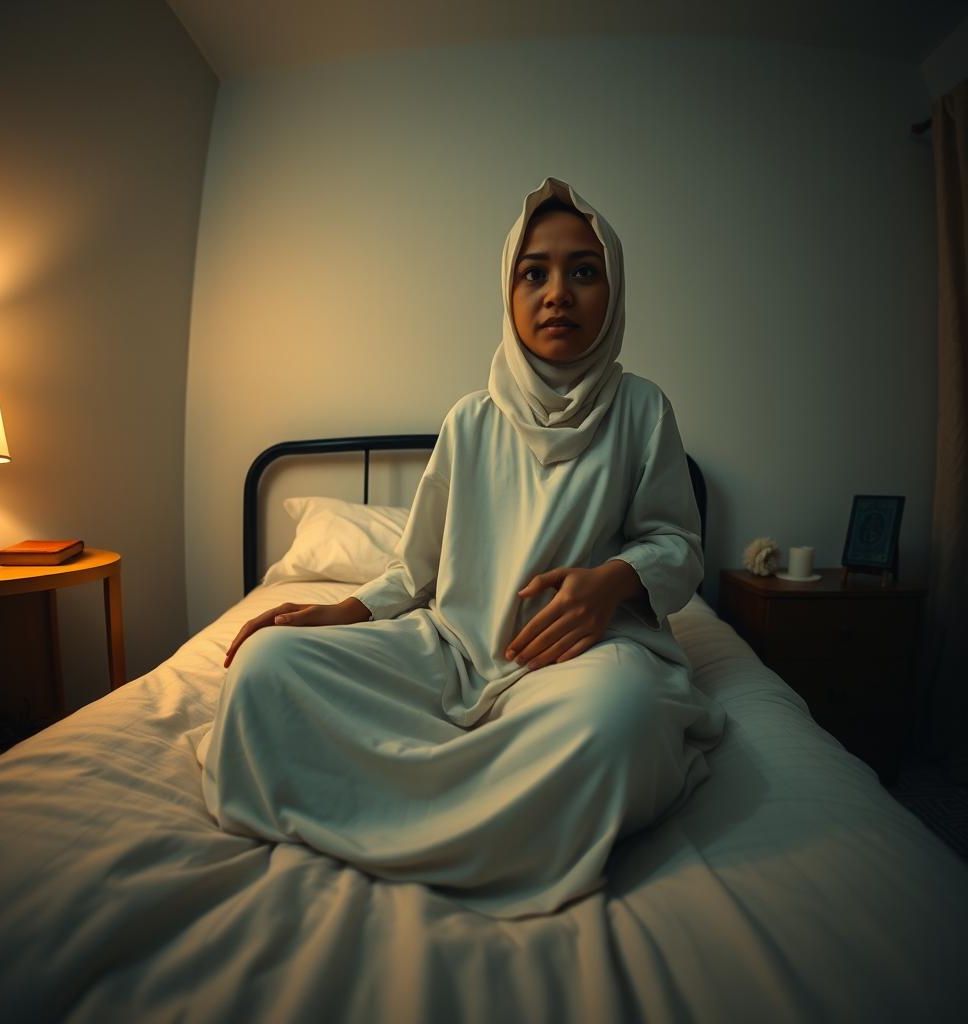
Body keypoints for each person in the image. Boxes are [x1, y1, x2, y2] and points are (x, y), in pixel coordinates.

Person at [193, 176, 726, 919]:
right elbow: (418, 570)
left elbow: (677, 544)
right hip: (450, 648)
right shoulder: (470, 421)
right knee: (264, 666)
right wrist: (339, 610)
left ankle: (399, 809)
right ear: (507, 293)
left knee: (621, 715)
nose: (557, 294)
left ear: (614, 290)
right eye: (533, 272)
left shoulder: (641, 408)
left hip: (572, 660)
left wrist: (611, 582)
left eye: (583, 271)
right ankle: (498, 815)